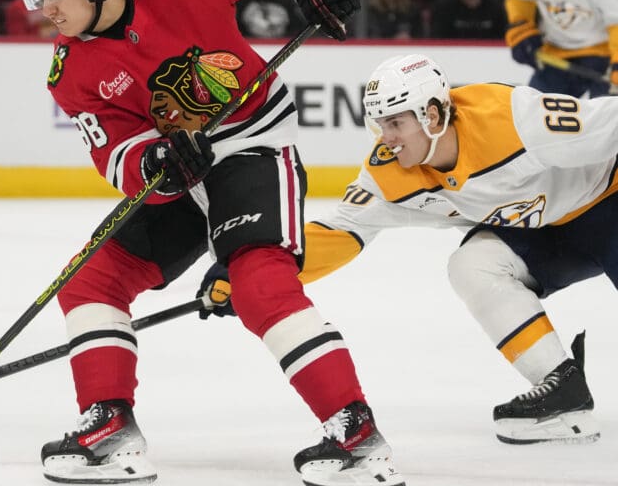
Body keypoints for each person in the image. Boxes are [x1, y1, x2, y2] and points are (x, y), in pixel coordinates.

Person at [19, 0, 402, 486]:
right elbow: (115, 153)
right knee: (91, 281)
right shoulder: (70, 69)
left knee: (257, 283)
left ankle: (356, 432)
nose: (45, 8)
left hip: (253, 144)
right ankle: (110, 426)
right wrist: (153, 161)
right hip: (182, 170)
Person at [246, 53, 611, 446]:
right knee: (473, 265)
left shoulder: (510, 119)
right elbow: (340, 229)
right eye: (380, 124)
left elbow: (609, 123)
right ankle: (564, 392)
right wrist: (261, 272)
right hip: (546, 231)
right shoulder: (390, 171)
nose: (386, 137)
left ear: (433, 115)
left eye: (396, 122)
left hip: (610, 203)